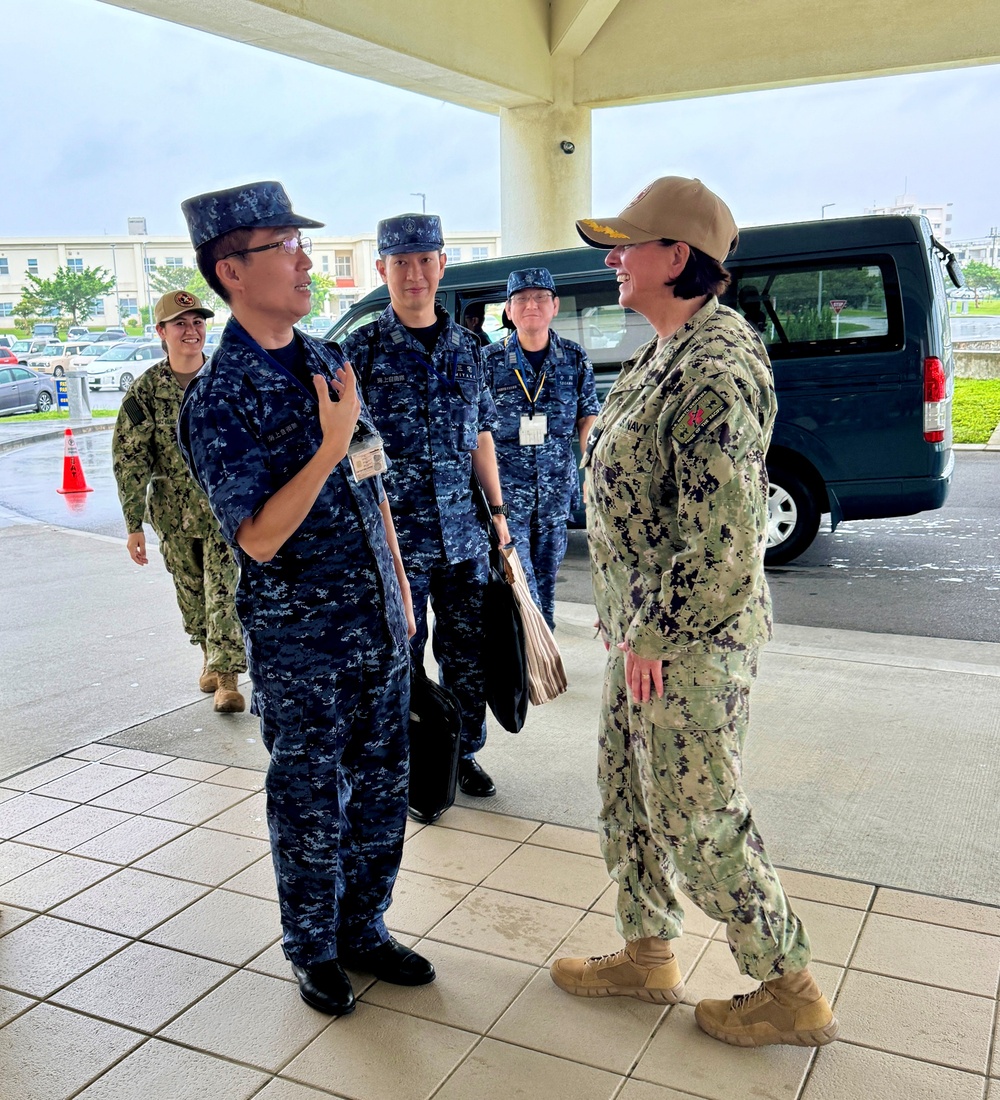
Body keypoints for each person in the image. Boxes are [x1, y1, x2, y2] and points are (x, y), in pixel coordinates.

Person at [550, 177, 838, 1048]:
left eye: (627, 243)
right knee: (629, 795)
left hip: (685, 638)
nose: (612, 257)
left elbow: (725, 541)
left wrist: (655, 633)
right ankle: (648, 952)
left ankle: (790, 986)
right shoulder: (665, 347)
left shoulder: (715, 365)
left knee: (697, 813)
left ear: (677, 257)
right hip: (644, 628)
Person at [176, 181, 433, 1018]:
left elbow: (375, 480)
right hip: (303, 645)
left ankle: (366, 928)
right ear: (232, 271)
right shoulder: (219, 396)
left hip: (380, 627)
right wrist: (324, 447)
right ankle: (314, 948)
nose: (305, 260)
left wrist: (402, 602)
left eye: (300, 243)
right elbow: (255, 537)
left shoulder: (329, 360)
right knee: (310, 797)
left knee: (385, 784)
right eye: (284, 247)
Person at [340, 213, 509, 799]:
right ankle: (410, 759)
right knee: (400, 656)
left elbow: (482, 435)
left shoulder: (470, 348)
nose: (414, 274)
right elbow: (348, 445)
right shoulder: (358, 351)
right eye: (401, 263)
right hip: (396, 539)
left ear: (441, 265)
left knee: (467, 655)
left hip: (463, 537)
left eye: (424, 261)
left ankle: (462, 753)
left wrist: (500, 514)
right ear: (383, 269)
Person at [112, 290, 246, 713]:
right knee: (191, 594)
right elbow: (130, 458)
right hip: (173, 515)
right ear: (162, 333)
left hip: (226, 513)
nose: (192, 331)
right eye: (181, 324)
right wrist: (133, 523)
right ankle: (208, 651)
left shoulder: (226, 380)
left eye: (198, 323)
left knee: (224, 592)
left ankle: (227, 678)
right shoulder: (146, 391)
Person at [483, 268, 599, 629]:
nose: (530, 305)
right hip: (507, 493)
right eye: (520, 299)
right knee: (520, 580)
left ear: (554, 306)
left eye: (539, 298)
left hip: (554, 491)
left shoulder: (574, 358)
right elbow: (477, 429)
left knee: (547, 581)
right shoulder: (488, 361)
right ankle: (529, 661)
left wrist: (590, 473)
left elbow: (588, 417)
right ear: (508, 309)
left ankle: (542, 656)